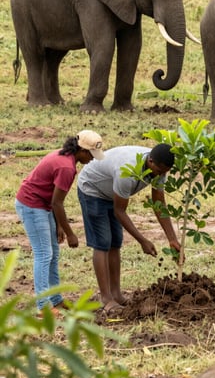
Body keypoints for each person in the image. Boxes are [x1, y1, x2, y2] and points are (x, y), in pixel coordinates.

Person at [77, 143, 181, 313]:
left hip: (112, 193)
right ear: (151, 161)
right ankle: (106, 298)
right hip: (92, 189)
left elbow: (159, 204)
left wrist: (172, 239)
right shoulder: (127, 171)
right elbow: (119, 211)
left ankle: (116, 294)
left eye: (165, 172)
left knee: (115, 242)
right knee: (102, 242)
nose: (161, 175)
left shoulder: (159, 169)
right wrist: (142, 241)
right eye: (159, 171)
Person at [15, 130, 105, 313]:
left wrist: (58, 227)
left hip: (43, 205)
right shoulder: (66, 168)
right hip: (31, 205)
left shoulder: (66, 157)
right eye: (91, 155)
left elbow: (54, 201)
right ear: (82, 151)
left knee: (53, 253)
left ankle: (56, 300)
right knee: (43, 254)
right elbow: (57, 203)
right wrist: (70, 233)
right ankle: (43, 307)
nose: (92, 159)